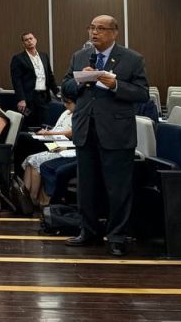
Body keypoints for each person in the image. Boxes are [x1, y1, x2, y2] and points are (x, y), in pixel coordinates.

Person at [61, 15, 149, 256]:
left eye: (100, 28)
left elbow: (142, 93)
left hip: (116, 132)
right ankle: (88, 231)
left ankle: (117, 236)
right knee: (86, 186)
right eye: (91, 28)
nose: (94, 32)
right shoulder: (80, 56)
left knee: (117, 188)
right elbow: (65, 87)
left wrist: (115, 85)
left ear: (114, 32)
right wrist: (81, 80)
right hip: (85, 129)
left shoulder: (132, 59)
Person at [22, 96, 76, 206]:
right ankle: (25, 197)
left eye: (68, 103)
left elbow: (71, 133)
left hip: (67, 148)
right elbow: (57, 129)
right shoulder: (65, 113)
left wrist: (50, 133)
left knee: (35, 161)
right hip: (56, 144)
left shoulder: (79, 116)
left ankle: (33, 198)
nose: (65, 105)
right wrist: (48, 133)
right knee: (29, 159)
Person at [10, 31, 59, 129]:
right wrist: (21, 99)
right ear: (23, 44)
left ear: (35, 40)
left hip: (43, 97)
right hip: (28, 99)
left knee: (44, 123)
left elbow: (49, 76)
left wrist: (57, 92)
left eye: (31, 38)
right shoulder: (18, 59)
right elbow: (16, 81)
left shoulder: (44, 56)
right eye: (26, 40)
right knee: (30, 124)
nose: (29, 41)